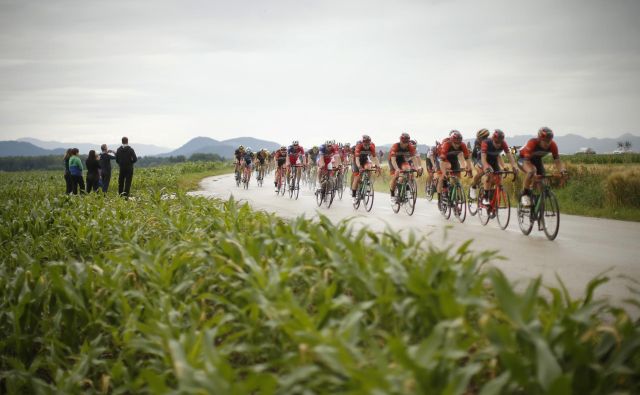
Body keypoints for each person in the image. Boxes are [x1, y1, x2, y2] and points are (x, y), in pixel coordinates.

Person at [518, 127, 567, 206]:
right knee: (531, 171)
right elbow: (527, 162)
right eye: (545, 141)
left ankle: (538, 206)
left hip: (537, 161)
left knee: (542, 183)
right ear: (539, 139)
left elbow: (557, 161)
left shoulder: (553, 145)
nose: (547, 143)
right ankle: (525, 194)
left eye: (549, 141)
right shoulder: (532, 143)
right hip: (524, 159)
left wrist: (562, 171)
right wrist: (534, 175)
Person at [480, 129, 518, 204]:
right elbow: (483, 158)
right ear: (493, 139)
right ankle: (485, 196)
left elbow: (509, 155)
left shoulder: (503, 143)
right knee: (489, 174)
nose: (498, 144)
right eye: (496, 142)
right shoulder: (486, 142)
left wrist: (514, 166)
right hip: (484, 160)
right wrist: (486, 167)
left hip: (494, 160)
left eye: (500, 142)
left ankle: (493, 196)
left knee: (499, 176)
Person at [389, 133, 422, 202]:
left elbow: (414, 158)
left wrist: (417, 167)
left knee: (407, 170)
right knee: (396, 176)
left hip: (401, 160)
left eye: (407, 142)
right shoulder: (395, 146)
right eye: (404, 142)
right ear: (400, 141)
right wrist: (397, 169)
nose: (405, 144)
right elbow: (393, 160)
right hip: (393, 161)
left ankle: (405, 190)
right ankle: (392, 194)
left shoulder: (410, 147)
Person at [437, 130, 472, 197]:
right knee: (442, 177)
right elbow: (442, 161)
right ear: (451, 141)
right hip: (443, 160)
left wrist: (469, 168)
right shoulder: (446, 144)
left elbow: (467, 158)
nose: (457, 145)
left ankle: (454, 199)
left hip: (454, 160)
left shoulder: (462, 145)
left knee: (456, 179)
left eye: (459, 143)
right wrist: (444, 173)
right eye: (455, 143)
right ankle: (440, 197)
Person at [351, 135, 381, 202]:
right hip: (356, 161)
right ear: (362, 143)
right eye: (365, 144)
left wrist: (378, 167)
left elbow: (375, 158)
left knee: (368, 167)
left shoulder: (372, 146)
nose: (367, 146)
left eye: (368, 144)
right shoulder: (359, 146)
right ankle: (353, 195)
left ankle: (367, 181)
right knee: (357, 178)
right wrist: (359, 167)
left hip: (364, 159)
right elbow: (357, 160)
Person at [469, 129, 490, 200]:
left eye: (485, 137)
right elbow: (479, 155)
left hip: (485, 158)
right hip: (476, 158)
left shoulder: (489, 141)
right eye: (479, 138)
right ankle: (473, 187)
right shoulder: (477, 142)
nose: (479, 139)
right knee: (482, 172)